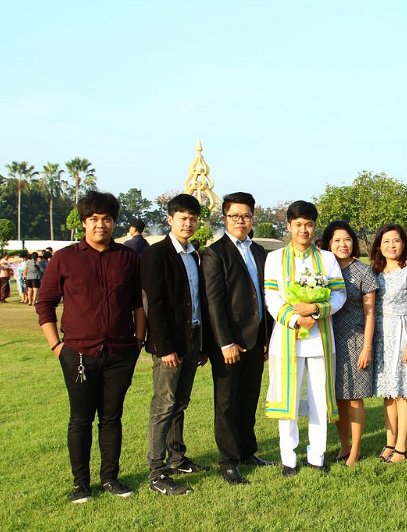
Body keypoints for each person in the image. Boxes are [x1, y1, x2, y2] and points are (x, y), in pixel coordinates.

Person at [36, 190, 146, 503]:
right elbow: (45, 303)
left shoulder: (128, 258)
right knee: (81, 419)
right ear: (84, 222)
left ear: (114, 222)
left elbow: (138, 303)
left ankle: (110, 478)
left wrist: (138, 342)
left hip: (120, 353)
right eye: (94, 219)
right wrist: (57, 346)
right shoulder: (65, 258)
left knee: (112, 418)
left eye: (107, 219)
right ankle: (80, 484)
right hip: (78, 354)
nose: (101, 225)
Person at [264, 201, 346, 477]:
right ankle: (288, 458)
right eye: (298, 224)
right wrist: (295, 318)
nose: (303, 230)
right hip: (287, 338)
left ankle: (317, 457)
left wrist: (316, 309)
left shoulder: (327, 259)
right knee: (288, 400)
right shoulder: (275, 258)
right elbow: (271, 296)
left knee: (319, 399)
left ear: (314, 227)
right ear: (288, 226)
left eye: (309, 224)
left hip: (320, 339)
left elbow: (339, 294)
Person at [142, 193, 215, 496]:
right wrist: (164, 348)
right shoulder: (156, 254)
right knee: (164, 404)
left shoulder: (195, 254)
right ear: (170, 219)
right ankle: (156, 472)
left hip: (193, 337)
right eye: (183, 218)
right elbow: (154, 304)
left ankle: (177, 458)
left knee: (181, 402)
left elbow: (199, 301)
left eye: (193, 219)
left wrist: (202, 345)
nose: (188, 223)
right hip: (169, 343)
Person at [202, 192, 274, 485]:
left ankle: (247, 451)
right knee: (227, 402)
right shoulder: (214, 253)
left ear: (252, 218)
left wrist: (267, 336)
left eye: (246, 216)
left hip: (257, 337)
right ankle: (229, 461)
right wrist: (225, 342)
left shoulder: (259, 251)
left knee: (248, 398)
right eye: (234, 216)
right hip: (230, 342)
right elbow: (214, 303)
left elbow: (266, 294)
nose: (241, 221)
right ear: (224, 218)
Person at [371, 224, 407, 464]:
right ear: (379, 245)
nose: (391, 245)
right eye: (386, 241)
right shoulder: (375, 271)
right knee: (388, 392)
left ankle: (402, 448)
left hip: (404, 333)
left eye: (396, 240)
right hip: (381, 336)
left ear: (403, 243)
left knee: (404, 391)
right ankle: (390, 442)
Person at [320, 221, 376, 467]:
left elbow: (370, 314)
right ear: (328, 244)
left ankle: (356, 449)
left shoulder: (362, 271)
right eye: (337, 240)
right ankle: (344, 444)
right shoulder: (323, 270)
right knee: (336, 398)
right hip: (328, 340)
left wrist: (367, 347)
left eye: (347, 239)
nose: (343, 244)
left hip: (355, 341)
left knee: (354, 398)